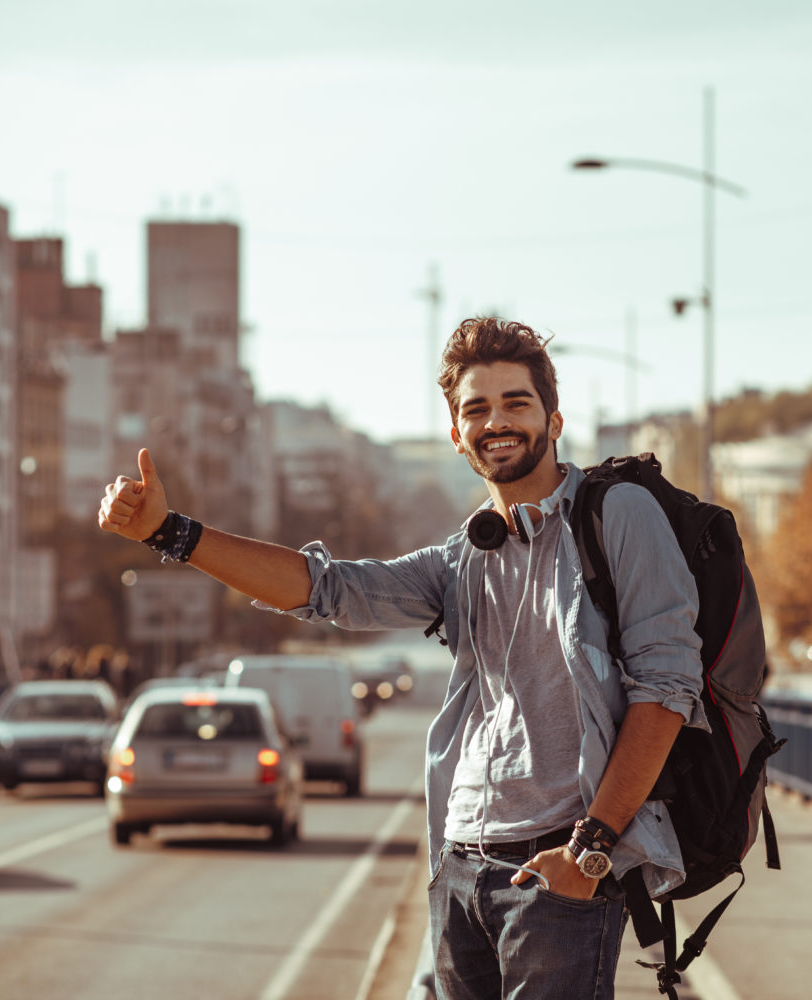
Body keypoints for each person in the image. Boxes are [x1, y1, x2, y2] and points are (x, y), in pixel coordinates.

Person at [98, 317, 705, 999]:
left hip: (559, 863)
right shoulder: (465, 555)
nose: (496, 421)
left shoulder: (617, 515)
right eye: (476, 408)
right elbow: (327, 588)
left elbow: (665, 689)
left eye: (516, 402)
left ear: (554, 419)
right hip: (461, 864)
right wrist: (171, 534)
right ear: (456, 436)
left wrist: (588, 852)